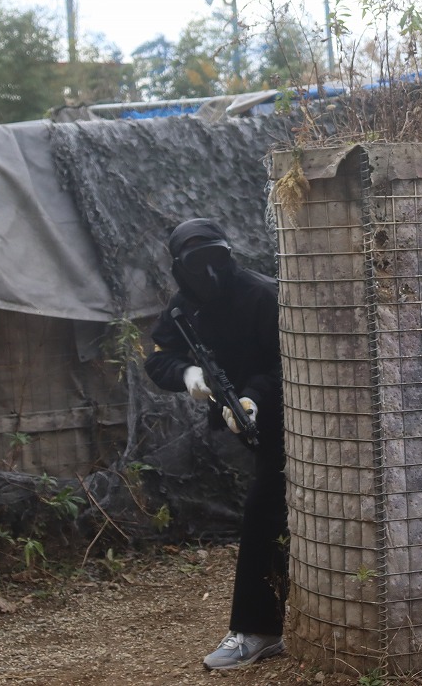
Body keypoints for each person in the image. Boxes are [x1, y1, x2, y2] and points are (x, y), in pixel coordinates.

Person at [144, 218, 288, 670]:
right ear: (179, 268)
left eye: (216, 260)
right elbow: (160, 358)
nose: (208, 274)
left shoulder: (262, 295)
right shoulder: (182, 309)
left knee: (265, 513)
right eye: (195, 264)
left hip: (295, 417)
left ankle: (257, 630)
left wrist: (253, 398)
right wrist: (188, 376)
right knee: (282, 513)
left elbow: (294, 362)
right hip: (241, 420)